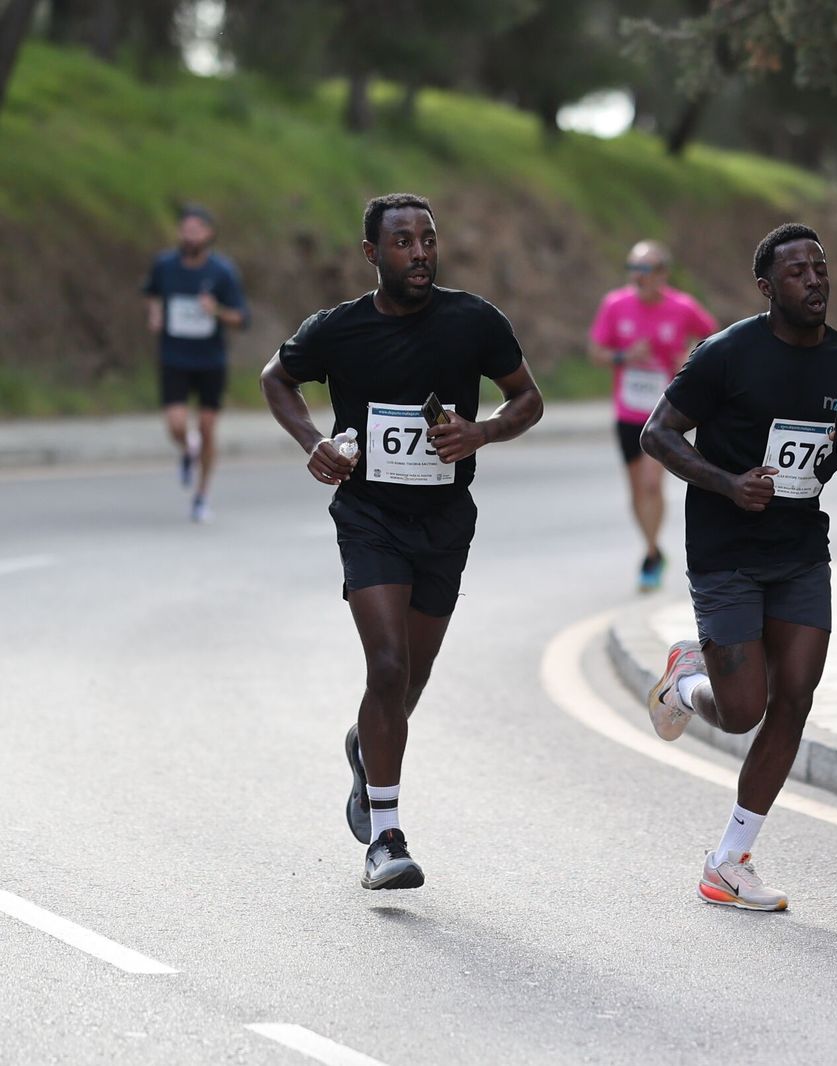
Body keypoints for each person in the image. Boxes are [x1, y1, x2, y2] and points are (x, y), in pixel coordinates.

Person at [260, 193, 543, 890]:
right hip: (369, 517)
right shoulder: (339, 330)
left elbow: (527, 400)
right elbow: (277, 378)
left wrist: (481, 432)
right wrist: (314, 440)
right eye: (402, 242)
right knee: (386, 666)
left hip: (445, 523)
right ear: (371, 254)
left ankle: (366, 747)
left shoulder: (474, 321)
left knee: (408, 681)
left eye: (427, 239)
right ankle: (385, 836)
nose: (419, 253)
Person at [640, 223, 837, 912]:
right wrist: (727, 483)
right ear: (769, 289)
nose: (815, 280)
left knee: (795, 698)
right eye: (798, 272)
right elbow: (657, 434)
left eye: (821, 267)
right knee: (743, 712)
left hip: (801, 549)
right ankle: (688, 682)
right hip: (727, 551)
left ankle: (729, 860)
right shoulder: (725, 355)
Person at [588, 240, 717, 592]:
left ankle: (649, 555)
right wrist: (624, 357)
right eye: (633, 268)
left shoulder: (682, 306)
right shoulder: (615, 305)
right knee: (635, 488)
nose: (637, 276)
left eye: (645, 269)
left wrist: (688, 356)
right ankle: (652, 549)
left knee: (651, 483)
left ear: (662, 274)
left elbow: (714, 339)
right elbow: (597, 352)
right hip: (628, 410)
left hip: (664, 413)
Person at [142, 204, 249, 523]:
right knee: (176, 425)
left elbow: (241, 318)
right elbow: (151, 293)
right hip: (174, 356)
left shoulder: (222, 272)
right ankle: (188, 447)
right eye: (185, 230)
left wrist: (215, 310)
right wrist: (155, 312)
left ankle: (201, 497)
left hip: (209, 361)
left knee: (206, 426)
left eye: (196, 230)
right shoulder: (164, 266)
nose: (189, 236)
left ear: (209, 234)